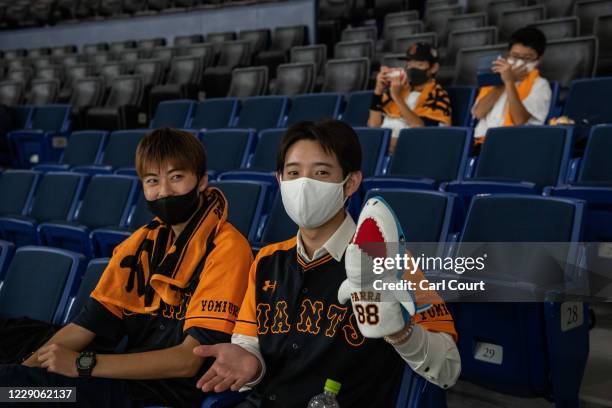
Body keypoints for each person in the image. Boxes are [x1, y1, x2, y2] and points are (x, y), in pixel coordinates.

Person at [192, 120, 461, 408]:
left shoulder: (391, 262)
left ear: (351, 182)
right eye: (293, 172)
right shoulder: (267, 260)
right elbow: (248, 344)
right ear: (279, 180)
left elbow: (448, 369)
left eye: (321, 172)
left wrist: (401, 332)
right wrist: (250, 363)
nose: (304, 184)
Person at [0, 128, 253, 407]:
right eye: (152, 180)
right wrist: (29, 367)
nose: (164, 191)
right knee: (14, 348)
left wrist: (83, 364)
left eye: (176, 177)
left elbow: (188, 362)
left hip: (159, 391)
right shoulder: (141, 242)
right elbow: (87, 325)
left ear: (202, 181)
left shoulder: (227, 248)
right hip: (122, 364)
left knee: (13, 391)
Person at [472, 27, 552, 147]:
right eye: (515, 56)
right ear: (508, 54)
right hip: (482, 142)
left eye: (527, 58)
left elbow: (519, 121)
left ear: (539, 59)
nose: (519, 62)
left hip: (515, 144)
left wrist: (509, 82)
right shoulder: (494, 78)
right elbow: (478, 113)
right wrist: (504, 81)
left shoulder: (541, 85)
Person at [368, 42, 452, 153]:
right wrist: (378, 90)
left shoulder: (439, 95)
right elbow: (373, 125)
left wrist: (397, 98)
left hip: (409, 150)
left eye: (419, 65)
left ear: (433, 68)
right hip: (381, 144)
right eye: (409, 64)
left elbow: (421, 132)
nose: (412, 68)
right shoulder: (398, 89)